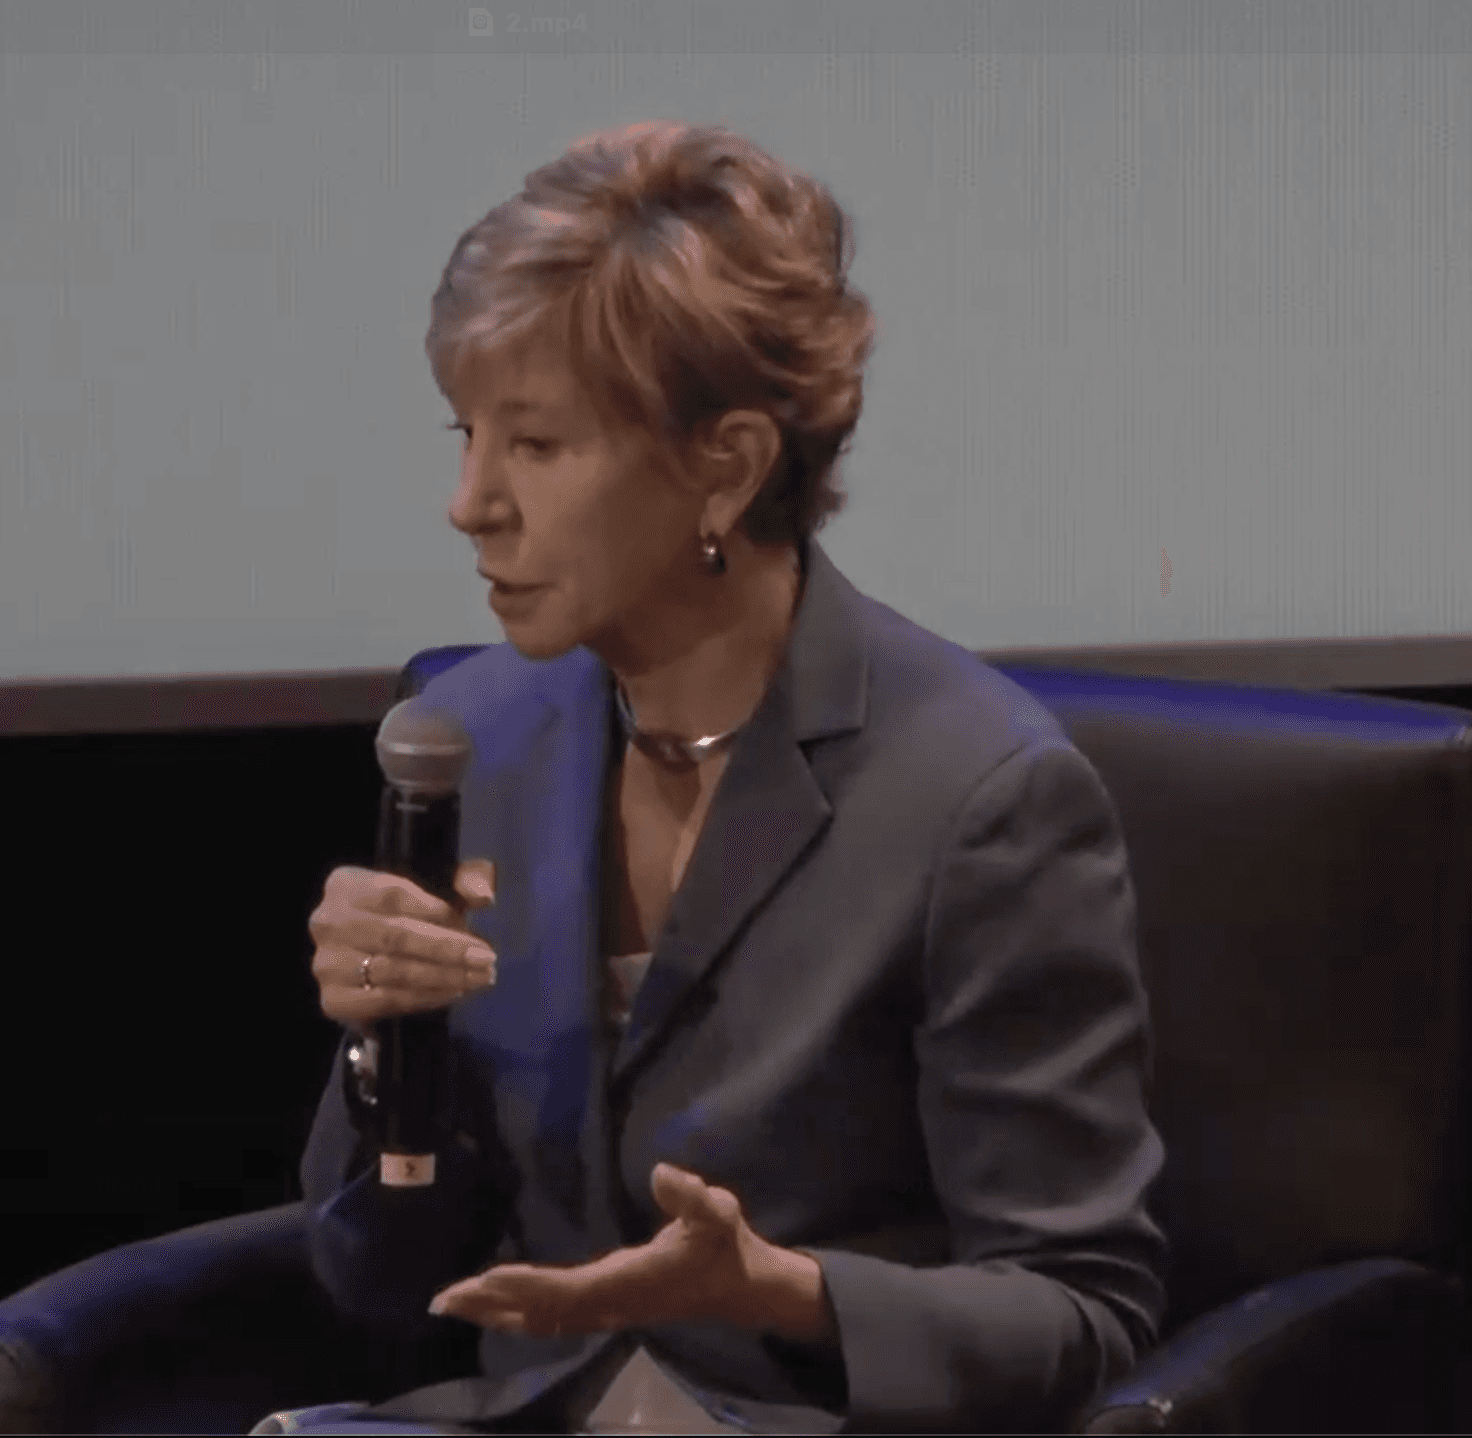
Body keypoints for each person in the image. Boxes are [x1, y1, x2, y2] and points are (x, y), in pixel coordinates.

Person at [253, 119, 1167, 1435]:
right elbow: (377, 1284)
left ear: (725, 467)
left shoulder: (983, 796)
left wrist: (779, 1291)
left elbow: (1081, 1316)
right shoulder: (472, 741)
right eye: (466, 434)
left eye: (537, 446)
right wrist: (379, 1046)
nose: (469, 501)